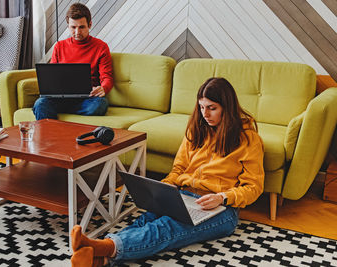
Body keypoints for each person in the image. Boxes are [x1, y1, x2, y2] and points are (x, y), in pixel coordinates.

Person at [70, 77, 265, 266]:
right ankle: (99, 258)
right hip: (183, 195)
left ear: (227, 108)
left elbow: (253, 187)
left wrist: (222, 197)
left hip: (221, 209)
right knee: (146, 220)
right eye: (201, 107)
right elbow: (179, 169)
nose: (205, 114)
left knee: (165, 228)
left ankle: (100, 247)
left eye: (212, 108)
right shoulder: (197, 129)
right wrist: (166, 186)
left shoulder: (248, 138)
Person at [33, 3, 113, 120]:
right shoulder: (59, 46)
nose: (77, 32)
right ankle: (51, 135)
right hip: (61, 97)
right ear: (68, 26)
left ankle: (57, 113)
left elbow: (107, 77)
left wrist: (103, 88)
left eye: (81, 27)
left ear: (89, 25)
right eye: (73, 27)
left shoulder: (101, 47)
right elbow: (52, 77)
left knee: (100, 105)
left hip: (88, 98)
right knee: (40, 104)